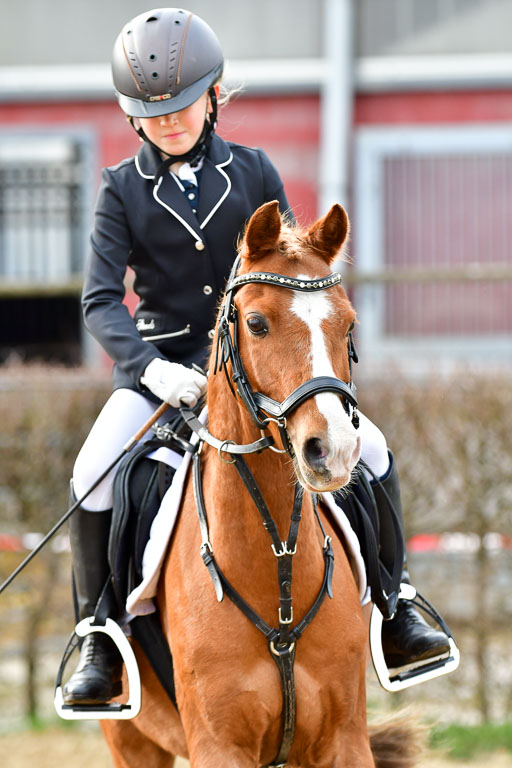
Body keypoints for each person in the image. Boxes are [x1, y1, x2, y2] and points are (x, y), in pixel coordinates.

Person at [62, 7, 449, 706]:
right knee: (92, 472)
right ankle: (98, 637)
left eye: (182, 105)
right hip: (162, 376)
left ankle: (398, 606)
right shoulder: (120, 190)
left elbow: (301, 272)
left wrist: (321, 360)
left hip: (262, 370)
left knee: (373, 450)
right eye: (154, 114)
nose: (170, 122)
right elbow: (98, 302)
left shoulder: (253, 169)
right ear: (133, 118)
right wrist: (152, 370)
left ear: (211, 97)